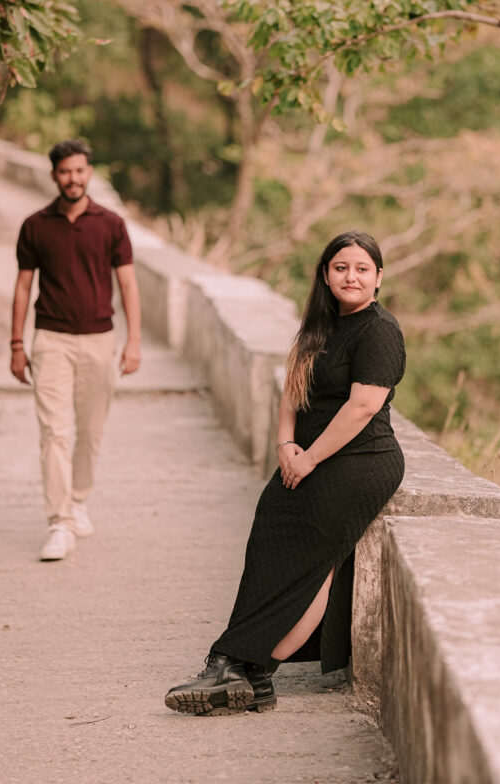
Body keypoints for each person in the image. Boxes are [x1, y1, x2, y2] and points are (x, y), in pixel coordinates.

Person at [165, 229, 405, 716]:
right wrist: (286, 444)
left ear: (378, 277)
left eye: (362, 268)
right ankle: (246, 674)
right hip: (307, 457)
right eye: (341, 267)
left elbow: (363, 407)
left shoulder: (379, 330)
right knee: (270, 535)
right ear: (325, 274)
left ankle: (242, 666)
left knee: (312, 559)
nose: (351, 276)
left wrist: (310, 458)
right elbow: (291, 392)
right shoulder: (319, 326)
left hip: (359, 462)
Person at [10, 139, 141, 562]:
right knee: (54, 431)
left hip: (100, 340)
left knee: (90, 431)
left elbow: (127, 285)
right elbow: (23, 287)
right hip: (50, 340)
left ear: (89, 172)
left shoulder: (111, 224)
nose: (73, 178)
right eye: (65, 171)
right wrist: (17, 343)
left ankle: (79, 499)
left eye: (80, 170)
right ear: (54, 176)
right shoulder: (34, 225)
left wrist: (133, 340)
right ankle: (59, 521)